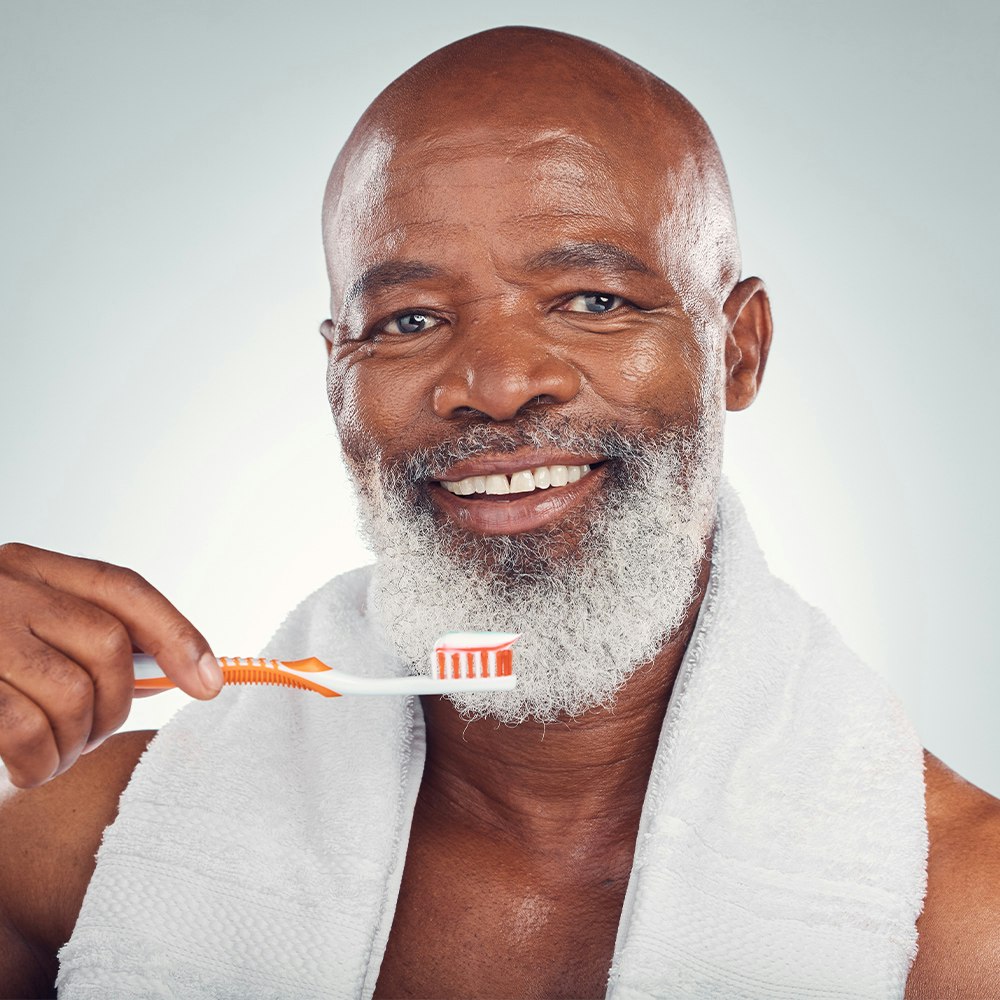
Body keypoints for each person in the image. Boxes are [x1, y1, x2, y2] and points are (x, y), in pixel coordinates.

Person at [0, 25, 997, 1000]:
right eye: (411, 321)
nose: (499, 381)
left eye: (593, 299)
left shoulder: (962, 925)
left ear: (737, 349)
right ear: (337, 375)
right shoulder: (71, 853)